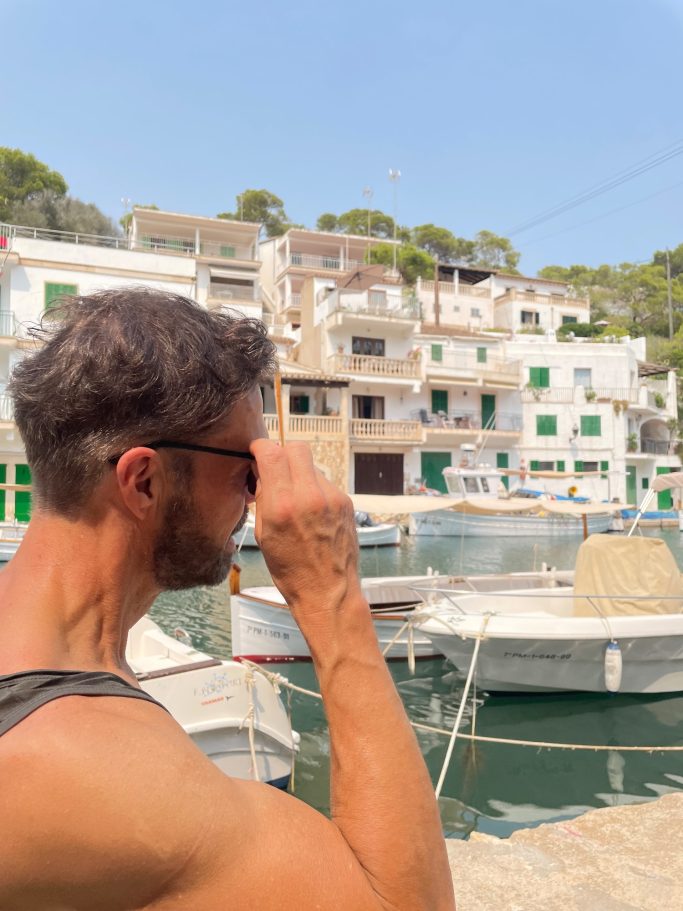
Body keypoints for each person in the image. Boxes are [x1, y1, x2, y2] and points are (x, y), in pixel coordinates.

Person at [0, 288, 455, 910]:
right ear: (144, 480)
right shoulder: (89, 763)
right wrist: (334, 597)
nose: (257, 498)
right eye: (249, 471)